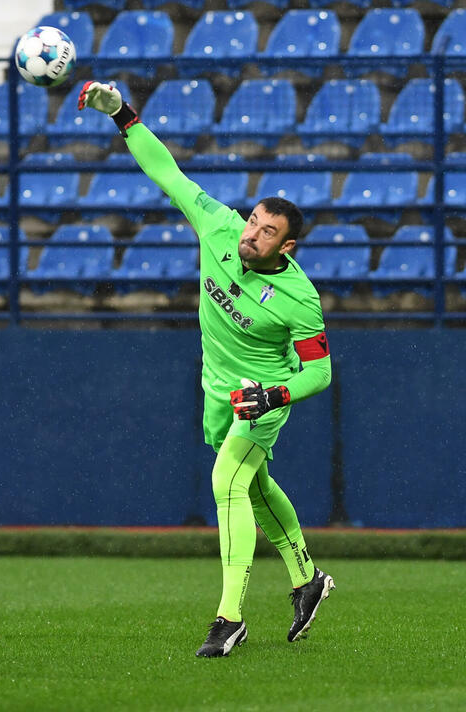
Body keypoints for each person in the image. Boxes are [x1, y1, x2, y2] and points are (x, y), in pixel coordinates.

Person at [78, 82, 336, 657]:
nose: (251, 234)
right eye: (252, 222)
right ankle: (308, 580)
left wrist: (274, 396)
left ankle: (229, 619)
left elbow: (319, 375)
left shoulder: (299, 298)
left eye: (267, 232)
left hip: (259, 399)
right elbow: (166, 173)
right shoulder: (219, 228)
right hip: (216, 392)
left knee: (226, 485)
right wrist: (123, 115)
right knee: (255, 486)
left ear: (287, 247)